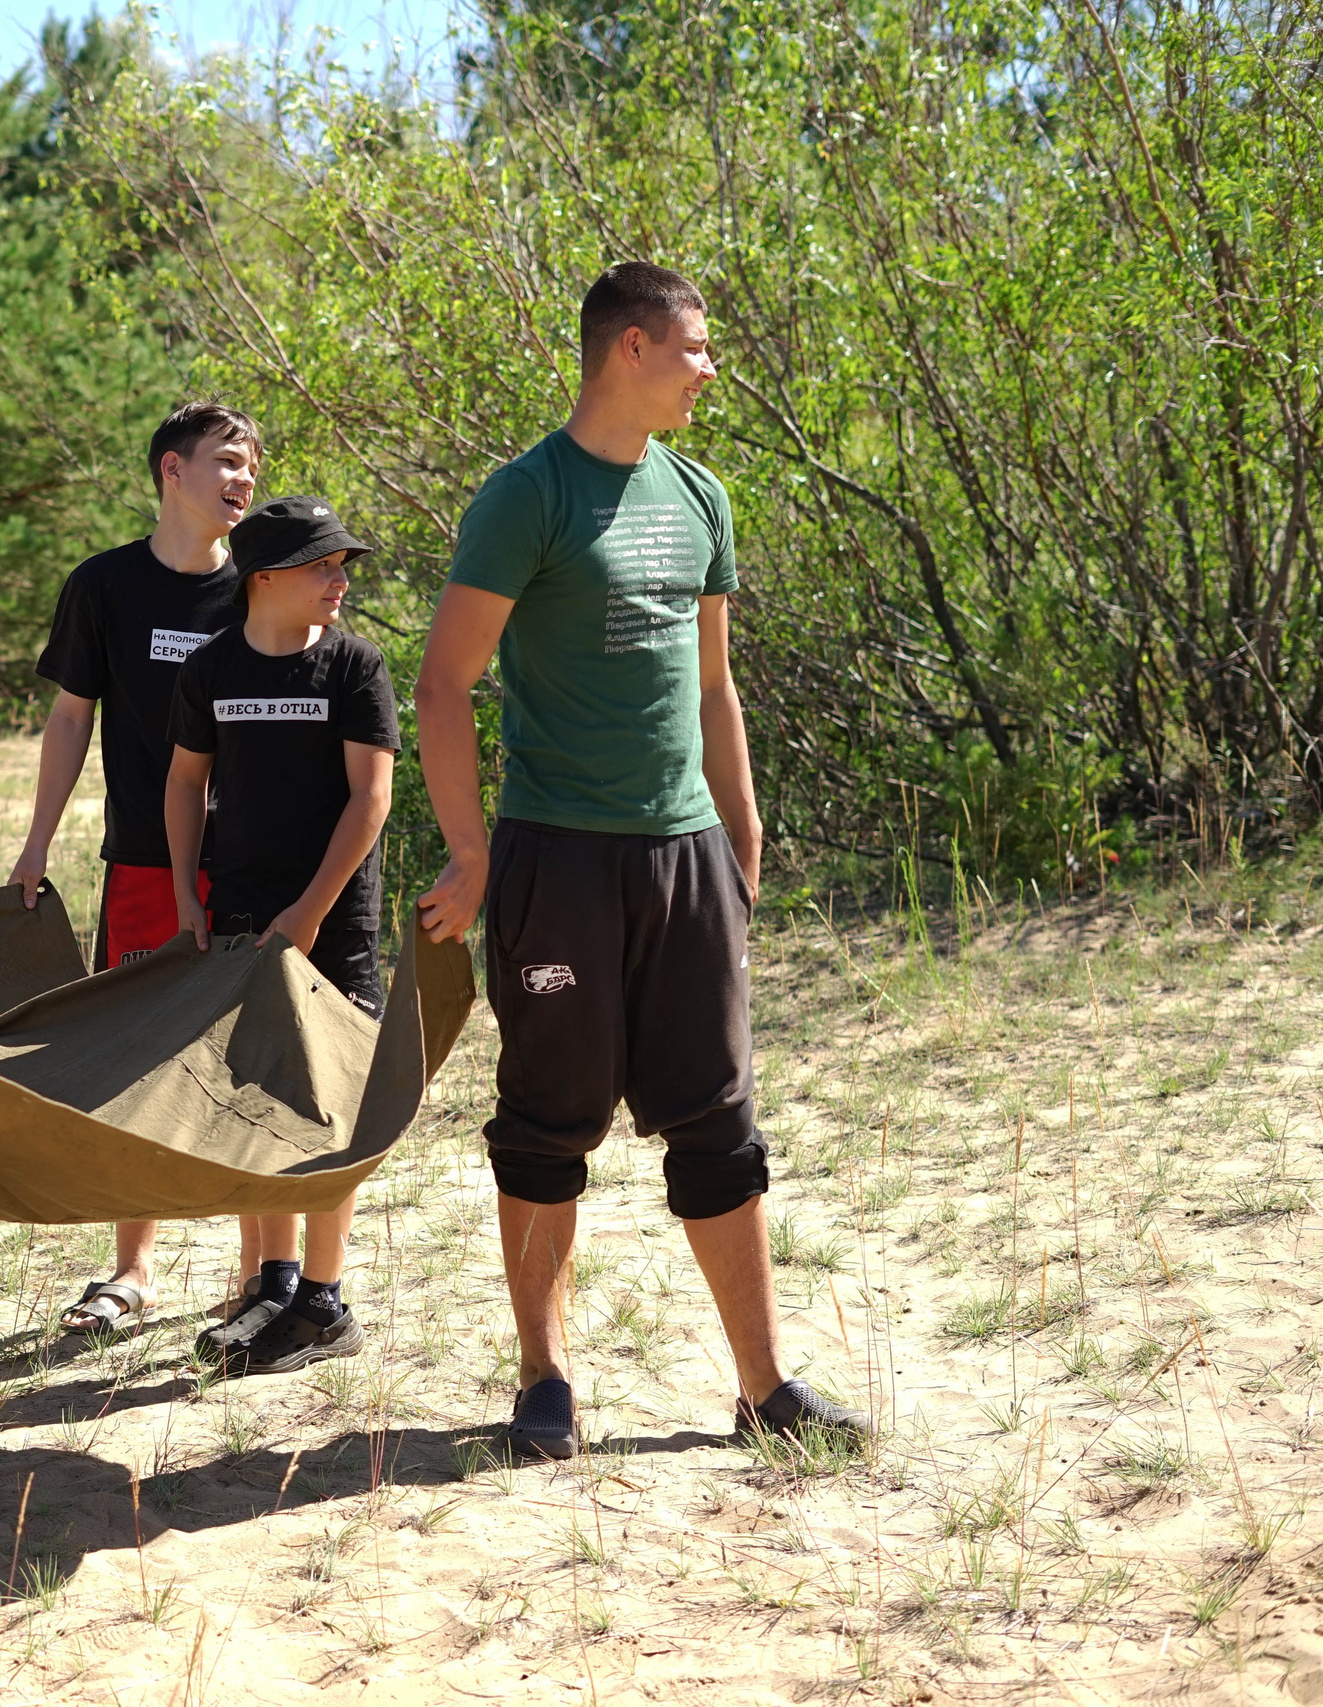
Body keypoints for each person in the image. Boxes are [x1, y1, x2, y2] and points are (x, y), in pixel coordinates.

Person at [413, 261, 872, 1460]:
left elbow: (715, 685)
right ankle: (544, 1382)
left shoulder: (701, 494)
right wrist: (470, 850)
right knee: (545, 1123)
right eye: (695, 348)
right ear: (630, 347)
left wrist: (741, 831)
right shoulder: (526, 496)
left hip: (685, 857)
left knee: (718, 1122)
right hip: (558, 859)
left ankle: (764, 1389)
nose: (710, 368)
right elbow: (443, 684)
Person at [8, 401, 264, 1336]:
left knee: (251, 1064)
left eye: (253, 464)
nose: (244, 478)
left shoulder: (262, 584)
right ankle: (133, 1270)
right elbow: (71, 716)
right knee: (136, 1058)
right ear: (171, 470)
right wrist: (37, 841)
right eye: (226, 460)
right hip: (145, 866)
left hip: (252, 868)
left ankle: (260, 1277)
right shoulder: (104, 585)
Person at [165, 495, 397, 1377]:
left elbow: (371, 799)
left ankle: (325, 1304)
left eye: (343, 566)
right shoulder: (212, 667)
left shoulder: (353, 665)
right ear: (263, 577)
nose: (340, 580)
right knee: (254, 1099)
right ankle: (274, 1282)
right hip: (238, 920)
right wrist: (188, 895)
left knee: (330, 1108)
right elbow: (184, 783)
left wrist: (309, 912)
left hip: (333, 926)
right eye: (321, 565)